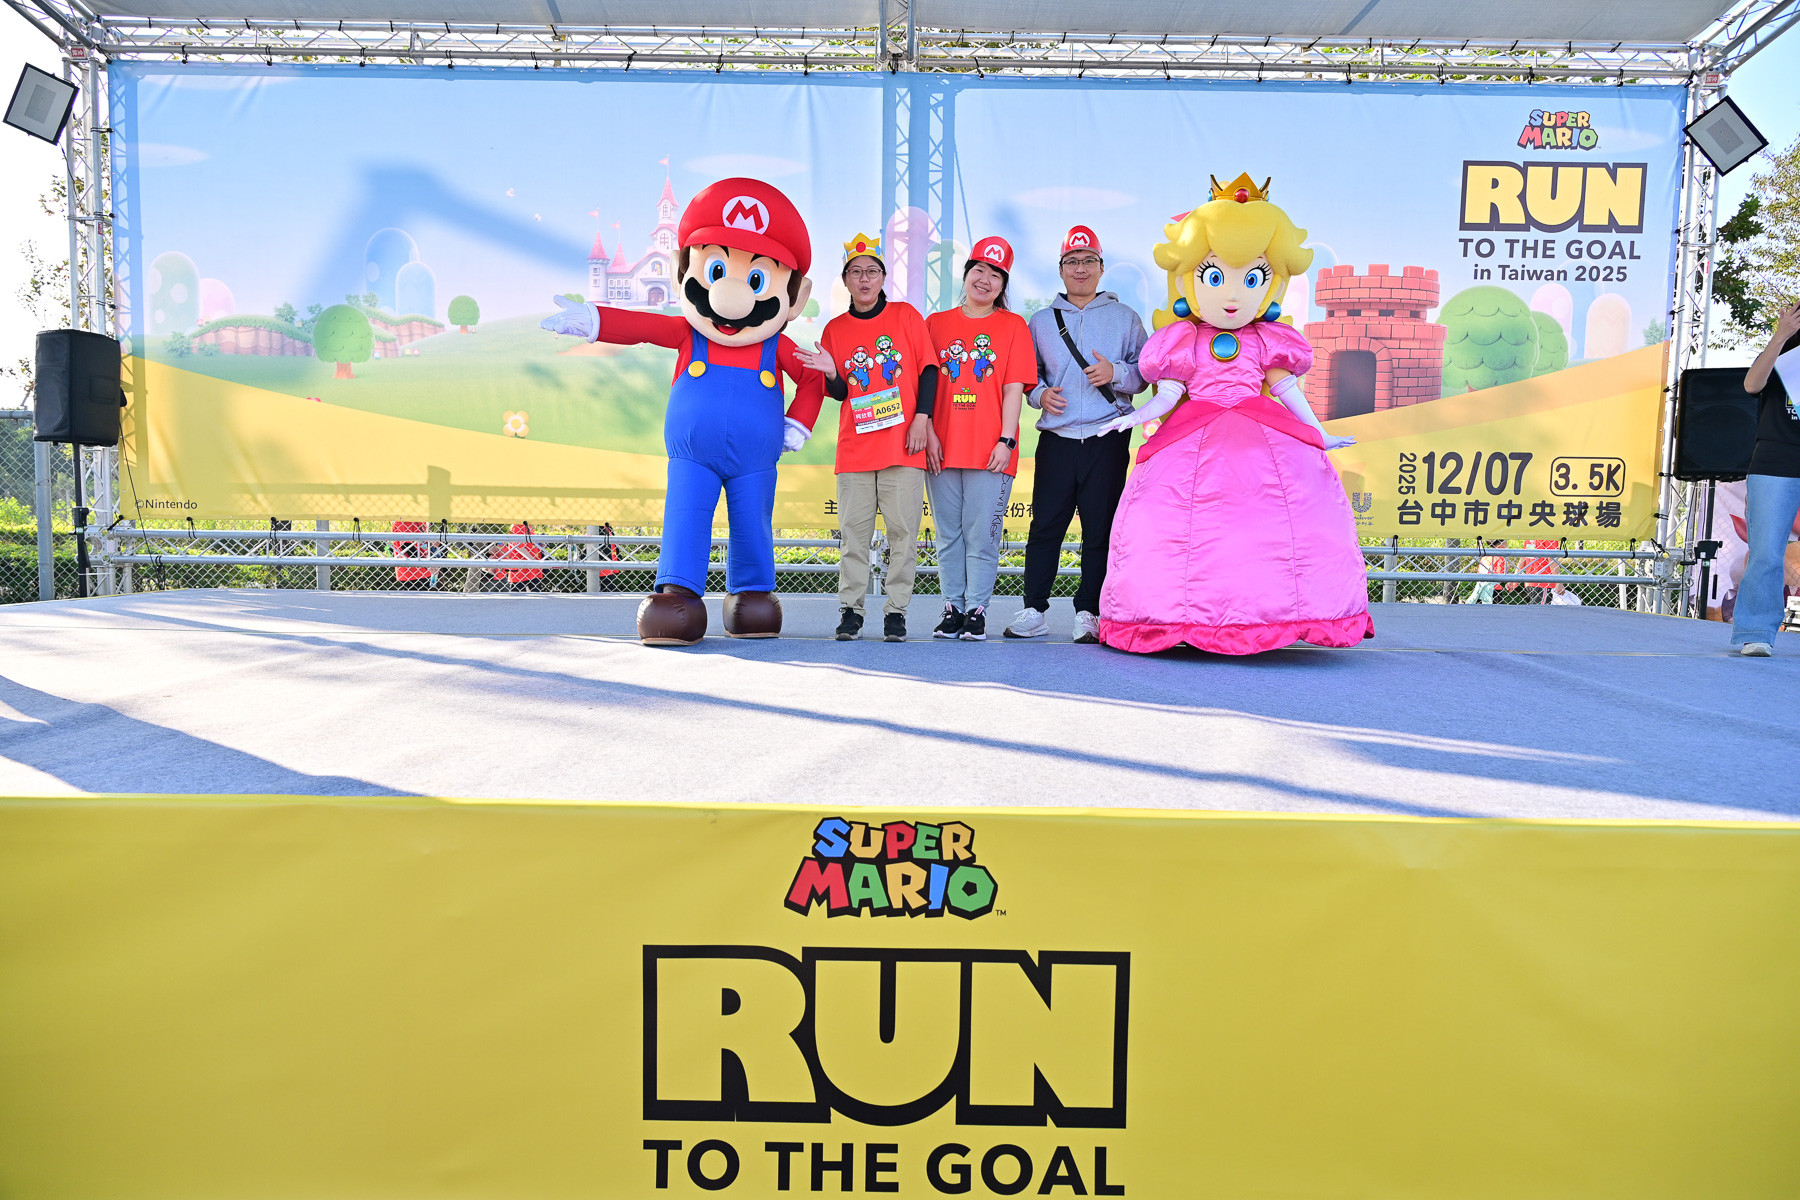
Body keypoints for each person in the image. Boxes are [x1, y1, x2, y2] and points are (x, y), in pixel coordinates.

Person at [1096, 173, 1373, 655]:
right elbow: (1166, 396)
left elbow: (1287, 389)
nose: (1231, 294)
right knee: (1169, 518)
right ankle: (1175, 618)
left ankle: (1271, 616)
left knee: (1279, 518)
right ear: (1189, 277)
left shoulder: (1265, 340)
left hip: (1261, 427)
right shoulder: (1184, 340)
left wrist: (1318, 435)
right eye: (1214, 276)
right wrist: (1133, 417)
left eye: (1252, 279)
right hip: (1191, 430)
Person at [540, 178, 822, 645]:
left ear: (796, 296)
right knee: (686, 515)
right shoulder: (689, 334)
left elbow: (813, 377)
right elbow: (640, 326)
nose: (731, 297)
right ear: (681, 270)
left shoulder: (779, 345)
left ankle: (752, 595)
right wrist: (594, 319)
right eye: (716, 271)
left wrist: (799, 421)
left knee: (753, 522)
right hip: (693, 456)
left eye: (756, 280)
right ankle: (678, 595)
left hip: (756, 459)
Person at [790, 232, 939, 641]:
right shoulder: (836, 329)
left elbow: (929, 369)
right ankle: (851, 610)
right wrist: (830, 372)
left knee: (903, 535)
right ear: (845, 280)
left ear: (883, 277)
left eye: (872, 271)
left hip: (903, 446)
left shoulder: (907, 317)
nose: (864, 279)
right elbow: (842, 392)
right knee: (853, 536)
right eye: (855, 272)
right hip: (855, 448)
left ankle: (896, 612)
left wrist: (921, 418)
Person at [1004, 225, 1149, 642]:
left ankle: (1089, 612)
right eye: (1072, 262)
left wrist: (1115, 372)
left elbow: (1145, 373)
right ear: (1061, 269)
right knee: (1045, 526)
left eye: (1088, 261)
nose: (1080, 269)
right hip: (1057, 440)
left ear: (1101, 268)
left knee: (1099, 529)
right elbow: (1027, 375)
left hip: (1107, 439)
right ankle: (1034, 609)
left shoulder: (1125, 318)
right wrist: (1039, 394)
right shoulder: (1040, 321)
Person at [923, 237, 1037, 641]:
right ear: (966, 273)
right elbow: (924, 386)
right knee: (947, 534)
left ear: (1003, 285)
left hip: (991, 450)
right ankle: (952, 607)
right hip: (941, 448)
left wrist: (1006, 441)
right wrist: (929, 434)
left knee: (982, 536)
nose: (985, 280)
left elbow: (1012, 388)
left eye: (995, 275)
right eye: (979, 270)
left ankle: (977, 609)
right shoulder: (935, 324)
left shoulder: (1013, 326)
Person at [1731, 302, 1800, 657]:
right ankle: (1757, 631)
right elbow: (1751, 384)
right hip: (1777, 457)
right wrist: (1781, 335)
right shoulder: (1786, 347)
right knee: (1767, 550)